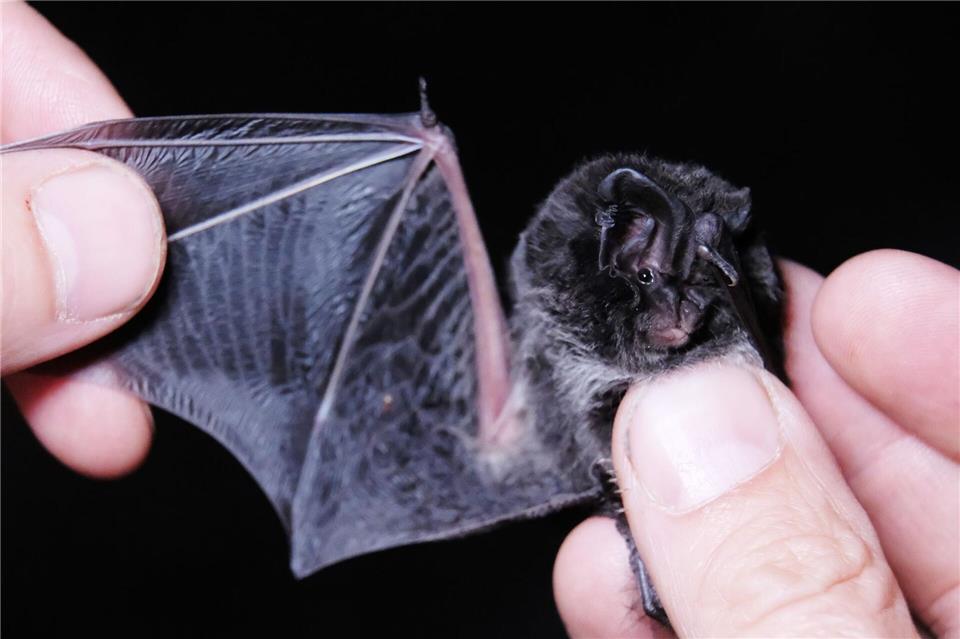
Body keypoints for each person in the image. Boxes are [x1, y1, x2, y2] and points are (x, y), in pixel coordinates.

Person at [2, 4, 956, 637]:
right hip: (547, 409)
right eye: (658, 282)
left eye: (693, 292)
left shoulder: (728, 288)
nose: (675, 314)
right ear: (611, 266)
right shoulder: (566, 298)